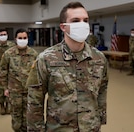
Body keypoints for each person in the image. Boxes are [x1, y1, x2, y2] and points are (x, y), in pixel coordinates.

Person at [26, 2, 108, 132]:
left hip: (91, 127)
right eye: (76, 21)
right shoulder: (46, 58)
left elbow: (102, 90)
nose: (82, 24)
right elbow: (35, 101)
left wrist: (100, 118)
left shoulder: (99, 58)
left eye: (85, 20)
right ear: (63, 27)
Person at [0, 28, 38, 131]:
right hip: (14, 91)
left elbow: (37, 73)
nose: (22, 40)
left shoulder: (33, 54)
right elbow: (3, 71)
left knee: (27, 115)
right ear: (16, 39)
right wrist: (5, 88)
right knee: (16, 115)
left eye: (24, 38)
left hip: (28, 91)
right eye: (20, 38)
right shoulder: (9, 53)